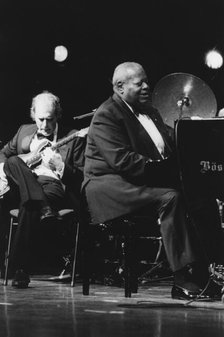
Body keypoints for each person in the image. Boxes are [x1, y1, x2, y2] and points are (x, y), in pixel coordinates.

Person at [82, 61, 224, 300]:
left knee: (201, 194)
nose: (147, 86)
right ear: (119, 87)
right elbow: (124, 162)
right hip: (109, 186)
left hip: (137, 180)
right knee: (171, 197)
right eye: (140, 83)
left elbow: (174, 144)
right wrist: (166, 172)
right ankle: (182, 279)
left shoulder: (151, 111)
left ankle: (212, 268)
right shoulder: (106, 115)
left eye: (146, 80)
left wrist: (200, 126)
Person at [0, 91, 87, 288]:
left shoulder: (74, 137)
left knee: (29, 205)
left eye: (50, 119)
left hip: (51, 185)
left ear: (57, 115)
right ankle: (45, 207)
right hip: (22, 183)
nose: (45, 125)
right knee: (13, 161)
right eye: (41, 119)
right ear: (33, 115)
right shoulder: (24, 131)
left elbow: (82, 176)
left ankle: (20, 269)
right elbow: (4, 154)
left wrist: (60, 166)